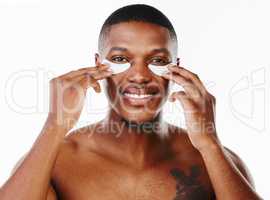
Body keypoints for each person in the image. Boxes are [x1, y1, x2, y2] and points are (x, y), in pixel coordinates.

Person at [0, 4, 262, 200]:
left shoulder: (215, 161)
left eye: (157, 61)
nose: (139, 75)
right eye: (120, 59)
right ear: (98, 64)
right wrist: (55, 125)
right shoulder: (54, 161)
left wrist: (210, 143)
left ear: (177, 68)